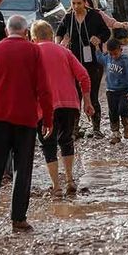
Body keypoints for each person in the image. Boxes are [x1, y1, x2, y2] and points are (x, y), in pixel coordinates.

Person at [0, 15, 53, 234]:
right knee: (22, 170)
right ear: (26, 33)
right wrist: (48, 118)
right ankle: (18, 219)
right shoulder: (34, 51)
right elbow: (44, 89)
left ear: (7, 31)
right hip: (26, 120)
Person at [29, 20, 92, 196]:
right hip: (69, 104)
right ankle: (70, 180)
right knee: (66, 140)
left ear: (33, 38)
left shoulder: (32, 53)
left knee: (47, 145)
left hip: (44, 107)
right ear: (51, 35)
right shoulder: (65, 51)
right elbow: (84, 76)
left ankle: (56, 186)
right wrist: (87, 101)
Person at [56, 0, 111, 137]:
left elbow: (107, 32)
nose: (76, 6)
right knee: (75, 96)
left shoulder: (95, 16)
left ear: (85, 2)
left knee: (92, 95)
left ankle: (96, 128)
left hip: (93, 61)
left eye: (79, 3)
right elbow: (59, 32)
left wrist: (99, 39)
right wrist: (59, 45)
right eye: (73, 3)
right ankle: (74, 128)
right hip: (74, 61)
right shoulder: (68, 18)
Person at [97, 38, 128, 145]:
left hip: (123, 90)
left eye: (115, 53)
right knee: (112, 112)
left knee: (123, 108)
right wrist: (96, 47)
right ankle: (115, 133)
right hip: (110, 91)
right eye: (111, 54)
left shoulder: (125, 60)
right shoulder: (107, 58)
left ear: (120, 49)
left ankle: (127, 126)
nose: (113, 56)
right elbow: (99, 58)